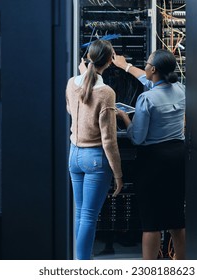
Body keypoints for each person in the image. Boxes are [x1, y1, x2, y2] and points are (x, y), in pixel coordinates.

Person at [112, 49, 186, 260]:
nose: (144, 66)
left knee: (151, 222)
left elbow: (138, 138)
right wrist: (125, 66)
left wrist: (125, 117)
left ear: (153, 69)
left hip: (153, 162)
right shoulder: (181, 89)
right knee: (176, 219)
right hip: (177, 159)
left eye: (147, 64)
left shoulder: (146, 99)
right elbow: (148, 80)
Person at [66, 39, 123, 260]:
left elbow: (71, 108)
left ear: (88, 57)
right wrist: (118, 174)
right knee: (89, 216)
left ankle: (80, 260)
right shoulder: (106, 92)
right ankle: (82, 265)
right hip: (96, 159)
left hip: (75, 155)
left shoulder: (72, 82)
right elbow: (109, 140)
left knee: (80, 214)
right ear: (110, 61)